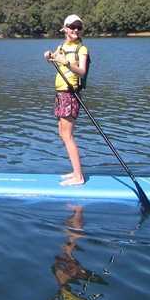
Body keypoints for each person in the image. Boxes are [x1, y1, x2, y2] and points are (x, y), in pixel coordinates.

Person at [43, 14, 89, 186]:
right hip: (61, 94)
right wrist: (49, 56)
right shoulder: (62, 46)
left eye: (79, 27)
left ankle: (79, 177)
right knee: (62, 133)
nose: (75, 30)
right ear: (65, 29)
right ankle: (75, 172)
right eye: (72, 27)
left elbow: (82, 71)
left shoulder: (81, 49)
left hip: (71, 94)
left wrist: (68, 63)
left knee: (68, 135)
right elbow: (55, 58)